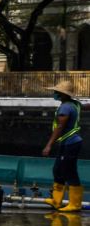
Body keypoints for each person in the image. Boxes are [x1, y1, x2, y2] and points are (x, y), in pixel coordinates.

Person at [42, 78, 83, 212]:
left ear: (63, 94)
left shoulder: (65, 107)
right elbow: (85, 106)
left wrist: (49, 145)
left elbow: (59, 127)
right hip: (67, 142)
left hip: (71, 142)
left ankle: (75, 204)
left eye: (57, 92)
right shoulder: (74, 104)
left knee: (69, 171)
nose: (54, 93)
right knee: (58, 169)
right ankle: (56, 200)